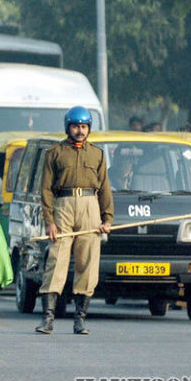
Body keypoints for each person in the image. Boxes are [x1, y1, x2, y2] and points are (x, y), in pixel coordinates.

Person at [35, 106, 113, 335]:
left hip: (90, 207)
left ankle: (80, 320)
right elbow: (46, 190)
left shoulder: (97, 154)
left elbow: (105, 189)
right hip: (63, 206)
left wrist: (107, 218)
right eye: (76, 126)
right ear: (68, 127)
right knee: (56, 260)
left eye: (84, 126)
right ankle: (47, 319)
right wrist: (49, 220)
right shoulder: (55, 152)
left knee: (87, 263)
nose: (80, 131)